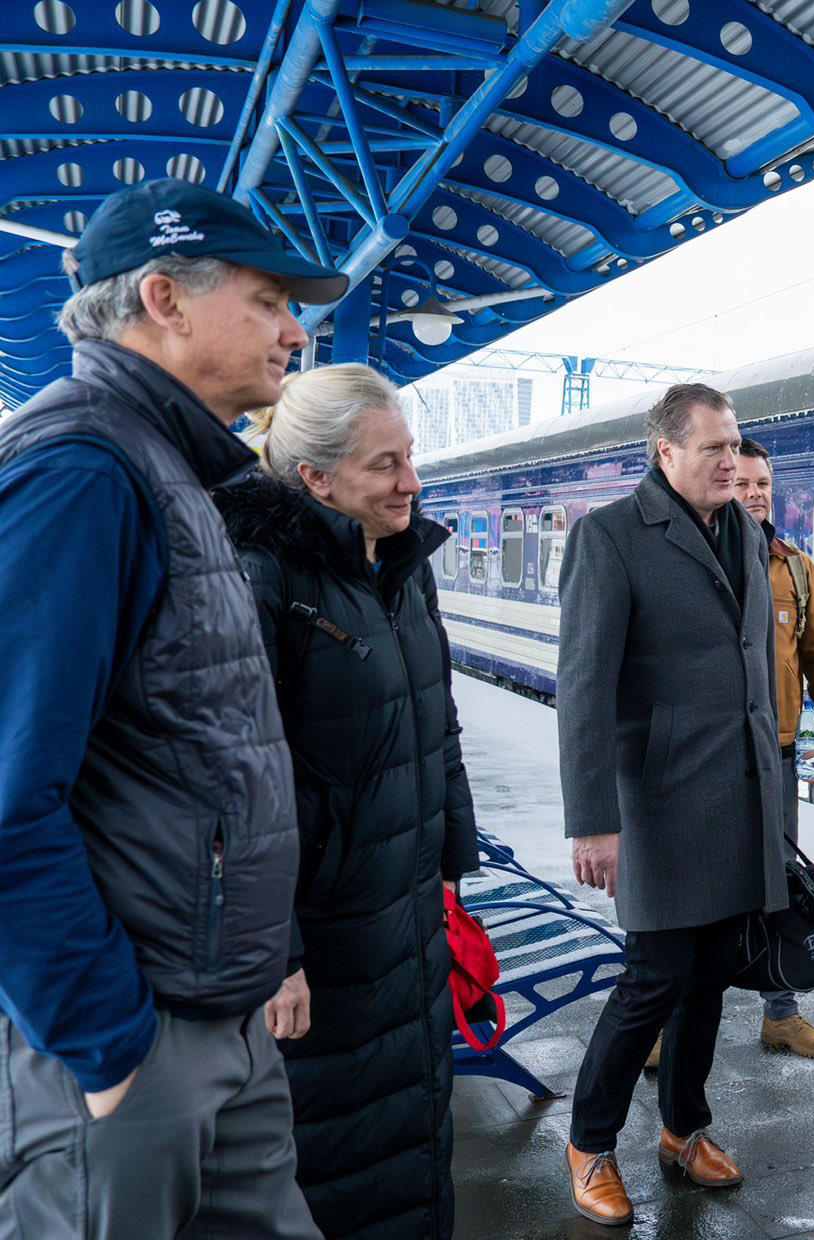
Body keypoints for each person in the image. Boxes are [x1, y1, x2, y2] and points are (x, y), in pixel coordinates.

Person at [0, 179, 343, 1237]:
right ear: (165, 297)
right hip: (130, 1040)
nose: (295, 330)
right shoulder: (81, 474)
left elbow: (203, 751)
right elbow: (8, 795)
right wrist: (106, 1046)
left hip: (219, 1017)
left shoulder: (169, 472)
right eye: (269, 299)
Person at [212, 365, 479, 1239]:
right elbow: (226, 775)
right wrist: (270, 950)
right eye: (385, 466)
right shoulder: (258, 575)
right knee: (331, 1148)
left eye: (410, 457)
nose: (411, 482)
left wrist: (453, 862)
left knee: (412, 1127)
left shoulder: (403, 566)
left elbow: (435, 723)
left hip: (403, 912)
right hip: (320, 937)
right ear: (315, 479)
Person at [554, 383, 791, 1226]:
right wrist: (592, 819)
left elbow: (752, 665)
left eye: (736, 446)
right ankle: (589, 1142)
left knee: (712, 979)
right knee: (653, 979)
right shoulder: (611, 537)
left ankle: (684, 1128)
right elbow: (582, 688)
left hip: (742, 795)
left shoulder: (746, 532)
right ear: (666, 452)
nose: (733, 461)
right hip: (657, 802)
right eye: (714, 448)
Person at [733, 437, 814, 1059]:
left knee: (779, 883)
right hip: (707, 756)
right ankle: (668, 1019)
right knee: (696, 887)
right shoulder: (695, 557)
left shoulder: (796, 570)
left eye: (763, 486)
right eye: (743, 483)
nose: (754, 495)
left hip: (775, 750)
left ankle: (780, 1011)